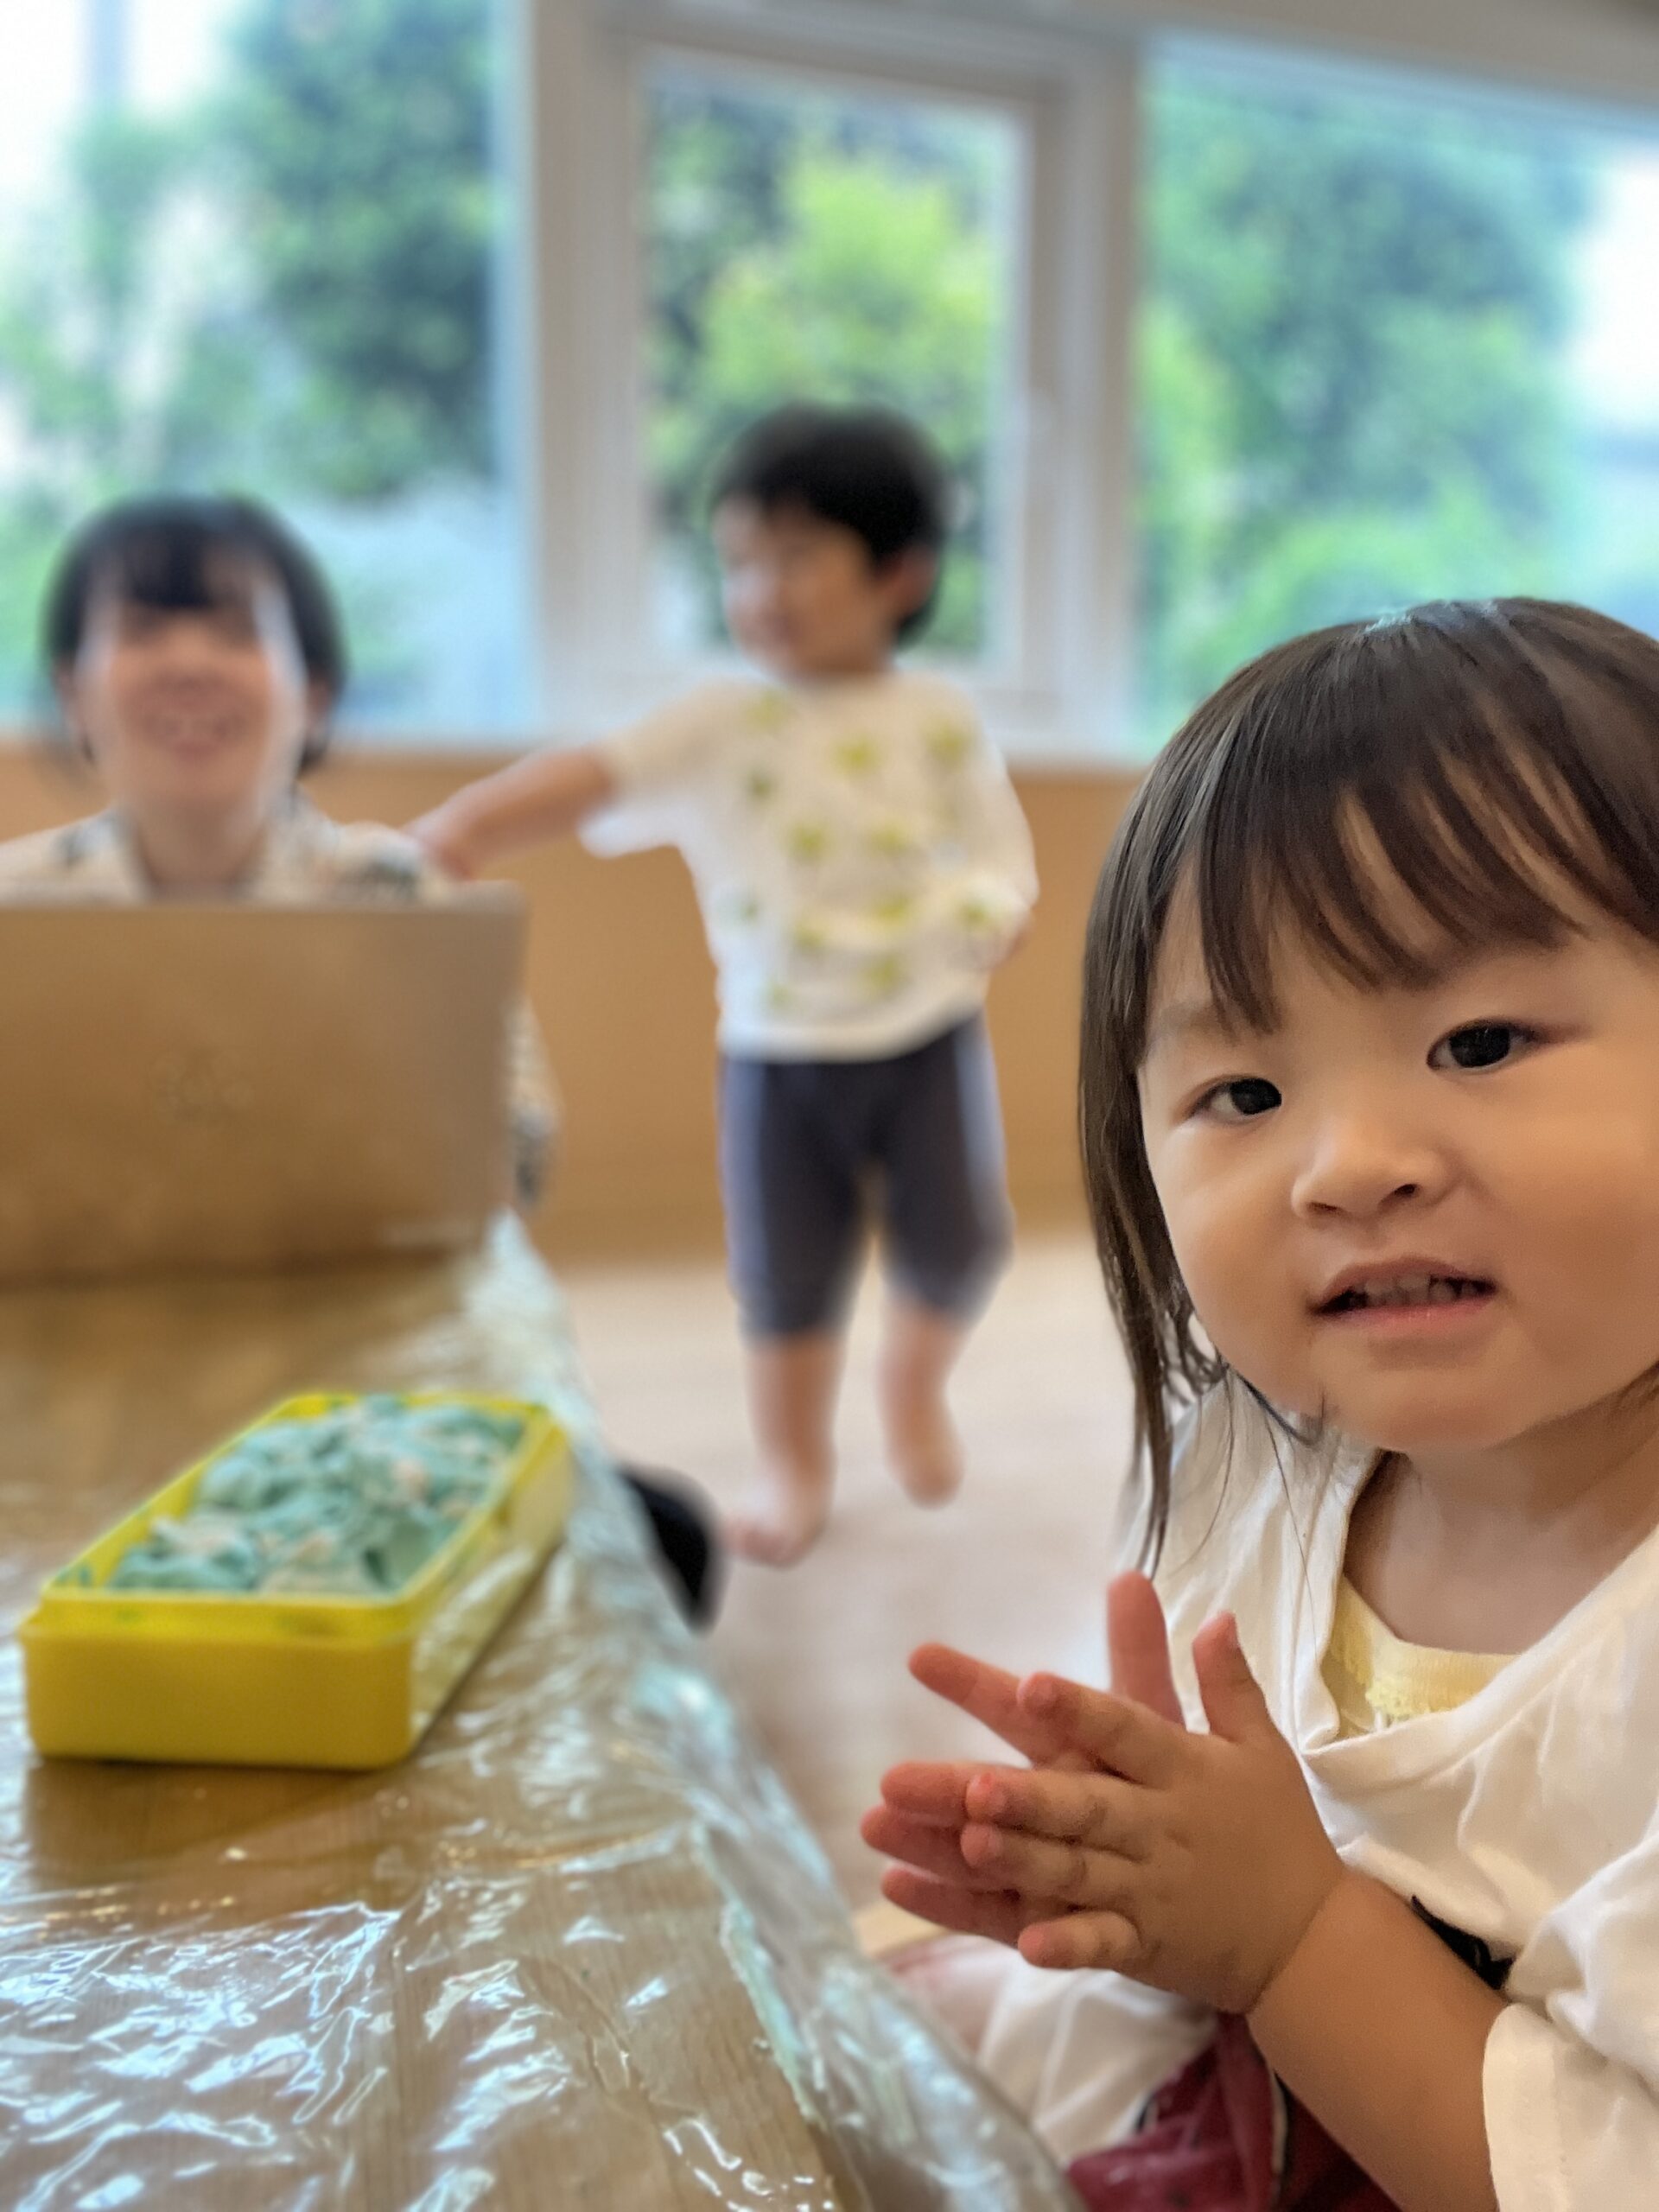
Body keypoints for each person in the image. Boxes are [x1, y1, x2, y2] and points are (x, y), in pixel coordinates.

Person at [862, 599, 1659, 2210]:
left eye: (1478, 1040)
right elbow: (1212, 1917)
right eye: (1244, 1092)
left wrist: (1286, 1933)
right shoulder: (1268, 1456)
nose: (1350, 1167)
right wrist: (1121, 1871)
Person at [1, 491, 718, 1625]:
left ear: (317, 692)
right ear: (73, 692)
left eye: (234, 629)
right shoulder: (17, 911)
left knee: (654, 1550)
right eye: (142, 627)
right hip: (74, 1385)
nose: (188, 661)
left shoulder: (399, 896)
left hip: (362, 1382)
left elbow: (517, 1153)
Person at [410, 404, 1037, 1566]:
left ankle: (912, 1387)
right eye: (740, 563)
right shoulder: (722, 717)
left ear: (899, 573)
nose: (761, 590)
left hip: (925, 1032)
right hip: (777, 1049)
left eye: (795, 557)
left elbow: (997, 848)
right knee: (785, 1277)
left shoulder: (938, 717)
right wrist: (465, 828)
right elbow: (592, 775)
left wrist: (999, 909)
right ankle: (795, 1462)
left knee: (959, 1245)